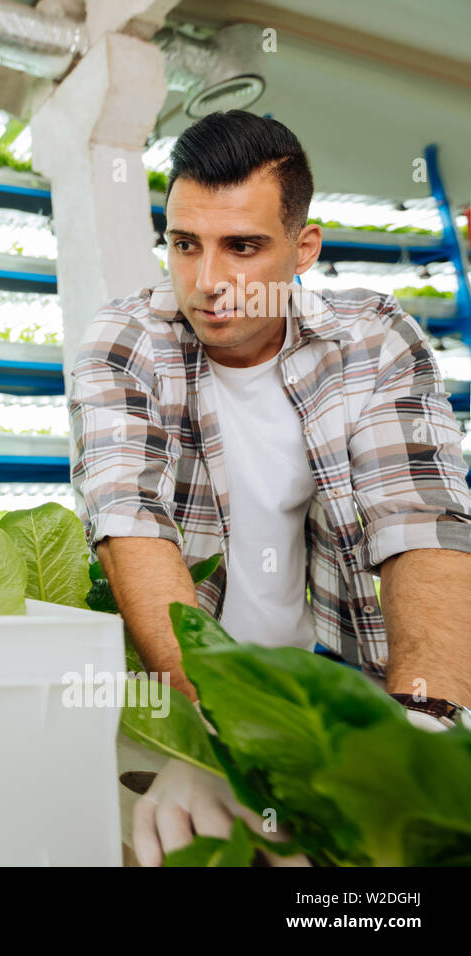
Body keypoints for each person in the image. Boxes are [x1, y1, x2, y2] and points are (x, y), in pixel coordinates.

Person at [68, 111, 471, 865]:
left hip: (335, 693)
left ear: (303, 248)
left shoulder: (376, 341)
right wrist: (215, 740)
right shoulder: (126, 341)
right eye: (185, 245)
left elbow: (423, 527)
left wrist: (417, 726)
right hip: (179, 699)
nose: (209, 281)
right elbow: (132, 524)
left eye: (242, 247)